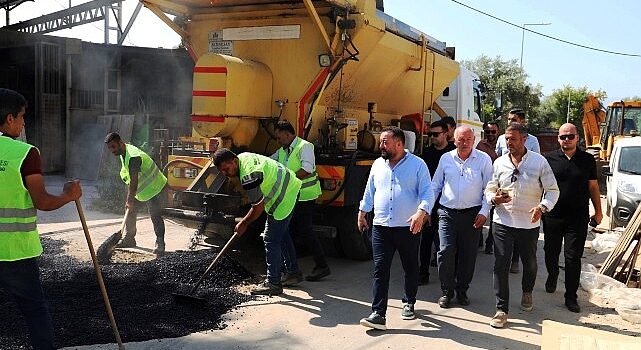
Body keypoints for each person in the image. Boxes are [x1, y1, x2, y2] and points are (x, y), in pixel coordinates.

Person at [0, 88, 82, 350]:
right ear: (10, 118)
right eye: (22, 116)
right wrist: (69, 195)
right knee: (35, 310)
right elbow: (43, 202)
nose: (24, 122)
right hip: (16, 253)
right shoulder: (25, 153)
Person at [485, 123, 559, 329]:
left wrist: (542, 207)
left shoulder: (539, 162)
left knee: (530, 262)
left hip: (529, 222)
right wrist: (494, 199)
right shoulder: (499, 163)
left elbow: (553, 190)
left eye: (513, 139)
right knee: (500, 264)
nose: (509, 143)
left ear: (524, 140)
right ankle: (501, 309)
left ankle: (527, 292)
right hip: (503, 221)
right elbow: (490, 188)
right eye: (507, 139)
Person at [358, 126, 431, 330]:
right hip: (381, 226)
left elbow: (428, 192)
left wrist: (421, 212)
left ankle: (409, 301)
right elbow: (370, 190)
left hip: (408, 227)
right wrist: (363, 211)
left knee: (410, 266)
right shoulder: (378, 165)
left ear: (399, 144)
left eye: (385, 142)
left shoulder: (418, 165)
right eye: (381, 141)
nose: (380, 145)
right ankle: (378, 313)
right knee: (380, 269)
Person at [213, 148, 303, 295]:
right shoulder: (243, 157)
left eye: (226, 169)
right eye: (221, 171)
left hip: (284, 195)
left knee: (270, 238)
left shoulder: (248, 176)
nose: (225, 173)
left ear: (233, 161)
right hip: (289, 186)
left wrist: (243, 223)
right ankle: (293, 273)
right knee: (282, 233)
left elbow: (257, 208)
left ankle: (273, 283)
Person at [429, 126, 493, 308]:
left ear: (473, 141)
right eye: (460, 140)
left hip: (472, 215)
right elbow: (435, 186)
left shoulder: (483, 159)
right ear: (453, 140)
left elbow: (489, 188)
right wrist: (426, 209)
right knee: (445, 252)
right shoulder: (446, 158)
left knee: (468, 255)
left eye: (468, 140)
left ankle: (462, 290)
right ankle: (446, 291)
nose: (464, 143)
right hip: (447, 213)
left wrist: (484, 212)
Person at [543, 123, 603, 313]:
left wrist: (598, 211)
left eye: (570, 136)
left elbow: (593, 187)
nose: (566, 140)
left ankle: (571, 296)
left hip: (577, 217)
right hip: (552, 216)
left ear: (578, 138)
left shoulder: (586, 160)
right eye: (563, 137)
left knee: (573, 257)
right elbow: (540, 187)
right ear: (558, 139)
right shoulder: (549, 159)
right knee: (550, 252)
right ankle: (552, 275)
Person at [271, 121, 330, 283]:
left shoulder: (305, 146)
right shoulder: (283, 150)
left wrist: (287, 181)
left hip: (305, 195)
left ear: (288, 134)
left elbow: (307, 169)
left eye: (279, 137)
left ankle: (321, 265)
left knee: (304, 230)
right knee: (291, 230)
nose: (278, 140)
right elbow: (270, 161)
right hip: (292, 196)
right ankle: (291, 267)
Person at [104, 132, 167, 254]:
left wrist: (130, 199)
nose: (111, 150)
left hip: (155, 187)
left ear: (120, 143)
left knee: (155, 214)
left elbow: (134, 180)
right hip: (142, 190)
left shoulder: (133, 157)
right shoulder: (124, 152)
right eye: (109, 148)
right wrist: (130, 200)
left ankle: (160, 243)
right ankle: (129, 239)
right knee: (130, 210)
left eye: (113, 147)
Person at [495, 109, 540, 273]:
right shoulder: (501, 139)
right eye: (508, 119)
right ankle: (503, 261)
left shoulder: (533, 141)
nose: (509, 121)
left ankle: (515, 260)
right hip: (506, 183)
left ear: (522, 121)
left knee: (520, 226)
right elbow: (498, 158)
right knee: (505, 222)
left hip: (525, 185)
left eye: (513, 119)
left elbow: (536, 163)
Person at [419, 120, 455, 284]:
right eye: (430, 134)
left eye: (436, 134)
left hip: (447, 204)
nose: (432, 137)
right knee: (425, 241)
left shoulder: (453, 153)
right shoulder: (426, 154)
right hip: (429, 203)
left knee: (446, 246)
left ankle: (448, 279)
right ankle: (423, 274)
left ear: (446, 133)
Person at [476, 121, 500, 254]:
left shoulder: (503, 145)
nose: (490, 134)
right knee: (480, 212)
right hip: (483, 184)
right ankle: (478, 239)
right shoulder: (480, 145)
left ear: (498, 131)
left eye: (493, 131)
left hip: (499, 185)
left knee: (494, 216)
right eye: (488, 131)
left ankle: (490, 243)